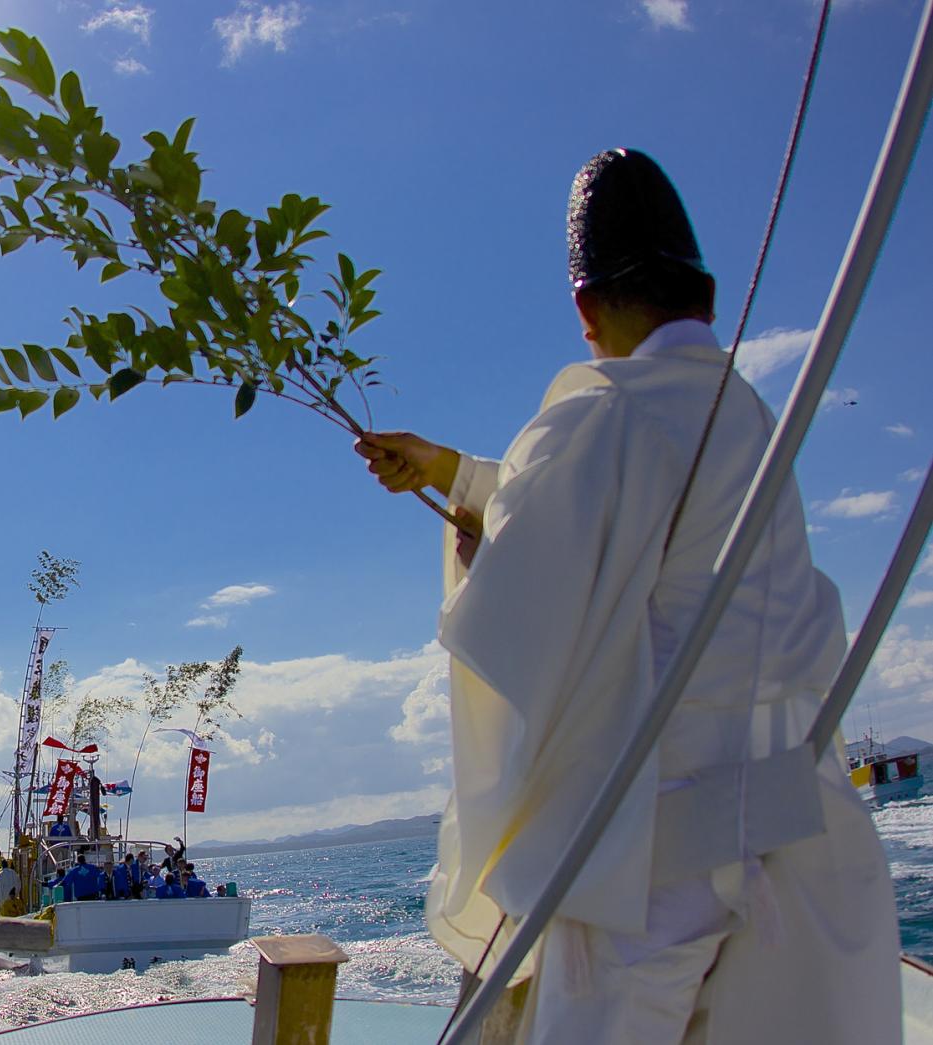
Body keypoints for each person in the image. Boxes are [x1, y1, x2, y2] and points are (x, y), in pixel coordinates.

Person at [355, 148, 899, 1043]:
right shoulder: (748, 417)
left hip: (654, 841)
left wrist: (473, 545)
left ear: (584, 308)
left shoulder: (604, 413)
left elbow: (527, 611)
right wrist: (454, 471)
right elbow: (617, 506)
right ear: (706, 297)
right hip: (798, 823)